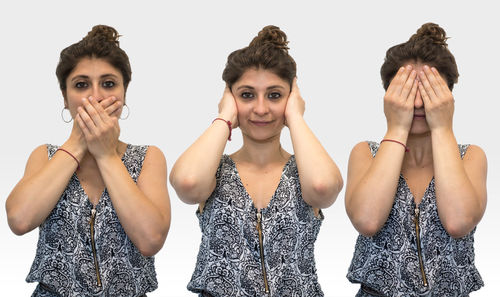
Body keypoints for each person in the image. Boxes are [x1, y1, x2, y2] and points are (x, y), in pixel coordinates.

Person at [170, 25, 343, 297]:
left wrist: (296, 117)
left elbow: (323, 187)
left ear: (291, 98)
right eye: (247, 95)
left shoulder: (307, 170)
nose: (261, 109)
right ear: (231, 98)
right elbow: (187, 184)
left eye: (274, 95)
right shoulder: (213, 169)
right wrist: (224, 117)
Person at [5, 25, 171, 297]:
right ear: (65, 97)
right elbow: (19, 220)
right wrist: (78, 142)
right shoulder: (44, 155)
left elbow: (151, 240)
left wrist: (106, 153)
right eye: (81, 85)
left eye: (108, 84)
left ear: (124, 92)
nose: (95, 96)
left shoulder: (148, 157)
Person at [345, 23, 487, 297]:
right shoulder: (365, 153)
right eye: (409, 91)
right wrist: (396, 127)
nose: (420, 103)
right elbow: (367, 220)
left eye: (431, 91)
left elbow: (458, 222)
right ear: (389, 93)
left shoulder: (471, 156)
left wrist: (443, 128)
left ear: (448, 94)